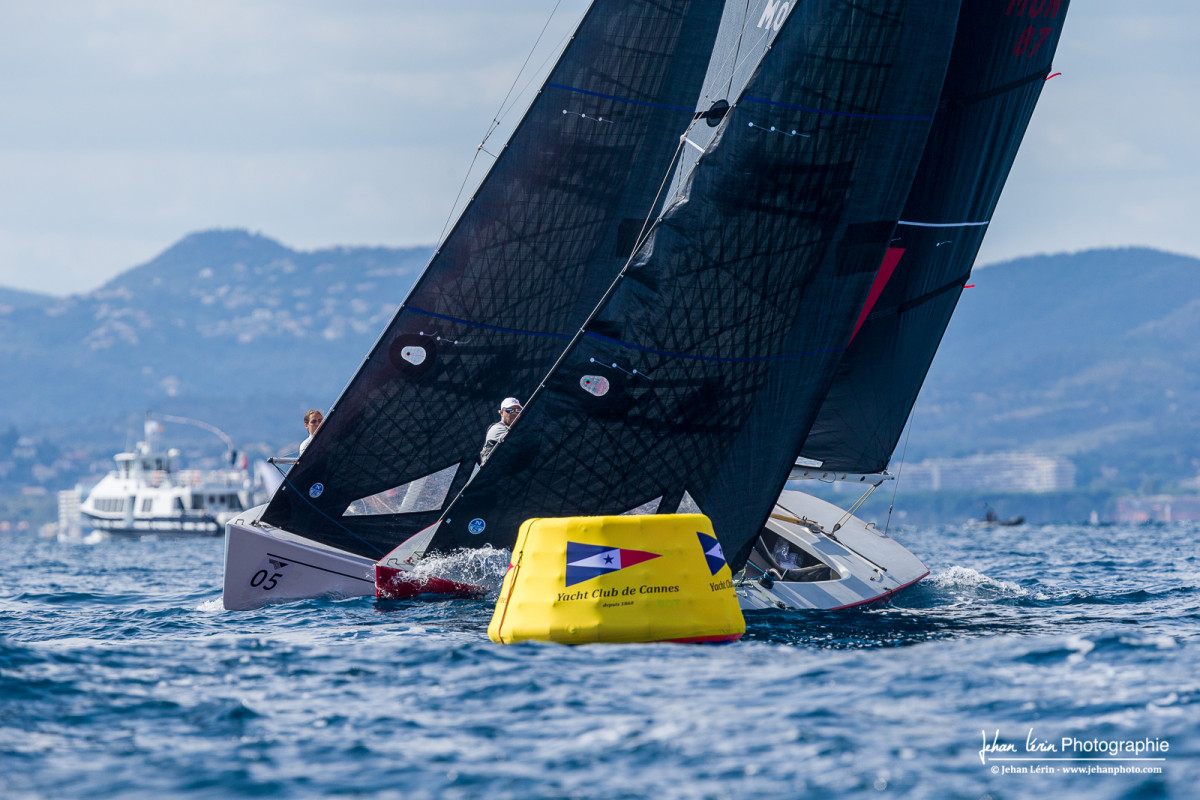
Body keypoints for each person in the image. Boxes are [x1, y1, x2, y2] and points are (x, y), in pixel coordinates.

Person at [479, 397, 521, 464]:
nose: (515, 413)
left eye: (518, 410)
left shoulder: (515, 430)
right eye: (510, 410)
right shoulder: (496, 429)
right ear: (501, 413)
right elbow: (514, 441)